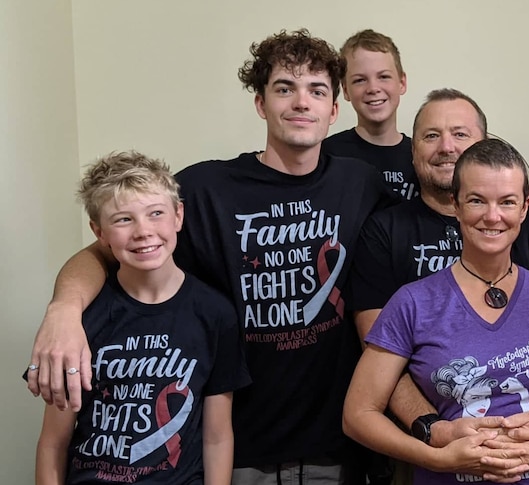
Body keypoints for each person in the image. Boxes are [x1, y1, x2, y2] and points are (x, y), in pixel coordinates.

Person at [27, 29, 393, 484]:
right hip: (235, 449)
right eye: (284, 88)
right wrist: (64, 309)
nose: (301, 102)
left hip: (337, 447)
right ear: (261, 104)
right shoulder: (205, 189)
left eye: (316, 90)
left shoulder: (360, 183)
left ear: (333, 110)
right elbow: (108, 247)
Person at [343, 138, 529, 485]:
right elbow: (358, 415)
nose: (493, 216)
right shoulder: (412, 303)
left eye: (507, 202)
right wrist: (437, 458)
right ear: (455, 204)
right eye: (476, 200)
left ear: (524, 208)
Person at [33, 151, 250, 484]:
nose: (143, 231)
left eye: (156, 213)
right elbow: (53, 442)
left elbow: (217, 437)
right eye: (123, 219)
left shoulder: (215, 314)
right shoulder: (81, 320)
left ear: (178, 215)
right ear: (99, 232)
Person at [322, 29, 419, 201]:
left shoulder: (420, 156)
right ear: (345, 90)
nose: (373, 88)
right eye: (360, 80)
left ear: (402, 83)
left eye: (383, 76)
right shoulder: (327, 154)